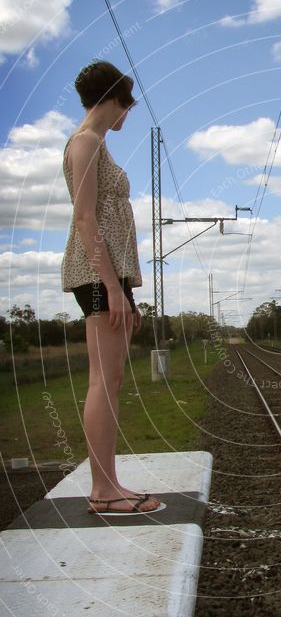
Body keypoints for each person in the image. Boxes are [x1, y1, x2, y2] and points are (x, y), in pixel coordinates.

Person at [62, 61, 161, 514]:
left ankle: (110, 482)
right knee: (104, 378)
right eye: (129, 105)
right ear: (114, 99)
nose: (128, 115)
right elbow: (84, 218)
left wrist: (125, 289)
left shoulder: (97, 145)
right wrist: (113, 288)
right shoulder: (84, 142)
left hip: (110, 274)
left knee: (113, 377)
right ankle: (103, 490)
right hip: (97, 273)